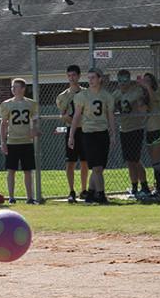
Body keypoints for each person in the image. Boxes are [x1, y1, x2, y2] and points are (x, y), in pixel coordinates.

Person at [68, 68, 116, 204]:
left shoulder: (107, 96)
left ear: (100, 79)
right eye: (89, 78)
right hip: (88, 133)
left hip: (102, 132)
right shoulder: (82, 96)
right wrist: (71, 135)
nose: (91, 80)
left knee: (99, 167)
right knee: (96, 167)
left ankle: (90, 193)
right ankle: (100, 194)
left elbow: (111, 116)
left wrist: (113, 134)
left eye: (93, 77)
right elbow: (76, 117)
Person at [0, 78, 40, 204]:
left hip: (26, 141)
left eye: (16, 87)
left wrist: (35, 130)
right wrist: (3, 142)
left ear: (23, 89)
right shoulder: (6, 104)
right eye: (12, 87)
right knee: (11, 170)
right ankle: (11, 197)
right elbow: (3, 124)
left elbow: (35, 120)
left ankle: (30, 197)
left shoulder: (31, 104)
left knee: (28, 170)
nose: (13, 89)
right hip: (12, 141)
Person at [113, 70, 150, 199]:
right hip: (124, 129)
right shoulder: (116, 94)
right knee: (129, 161)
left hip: (136, 128)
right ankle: (134, 187)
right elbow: (110, 107)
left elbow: (141, 103)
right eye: (120, 80)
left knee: (135, 159)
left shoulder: (136, 91)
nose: (123, 83)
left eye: (125, 80)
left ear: (129, 80)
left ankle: (145, 186)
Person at [56, 65, 87, 203]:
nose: (71, 78)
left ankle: (84, 190)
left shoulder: (86, 93)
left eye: (74, 75)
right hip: (71, 131)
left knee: (85, 162)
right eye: (69, 76)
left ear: (79, 76)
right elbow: (62, 114)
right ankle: (71, 191)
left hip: (85, 130)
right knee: (71, 162)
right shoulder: (63, 96)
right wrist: (70, 119)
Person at [139, 73, 160, 197]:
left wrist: (148, 87)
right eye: (144, 81)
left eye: (148, 81)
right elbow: (142, 110)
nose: (146, 82)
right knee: (155, 161)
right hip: (149, 131)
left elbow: (153, 100)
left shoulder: (157, 93)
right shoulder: (143, 96)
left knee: (156, 159)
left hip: (159, 128)